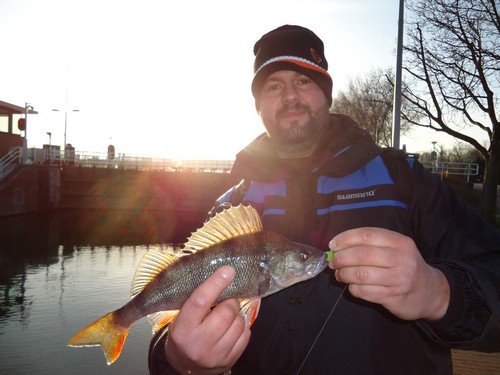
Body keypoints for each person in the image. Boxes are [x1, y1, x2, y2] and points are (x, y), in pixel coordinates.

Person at [149, 25, 500, 374]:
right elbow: (175, 312)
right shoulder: (231, 205)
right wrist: (177, 359)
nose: (290, 96)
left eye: (304, 81)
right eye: (274, 85)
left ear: (327, 96)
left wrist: (438, 292)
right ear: (258, 106)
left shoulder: (405, 181)